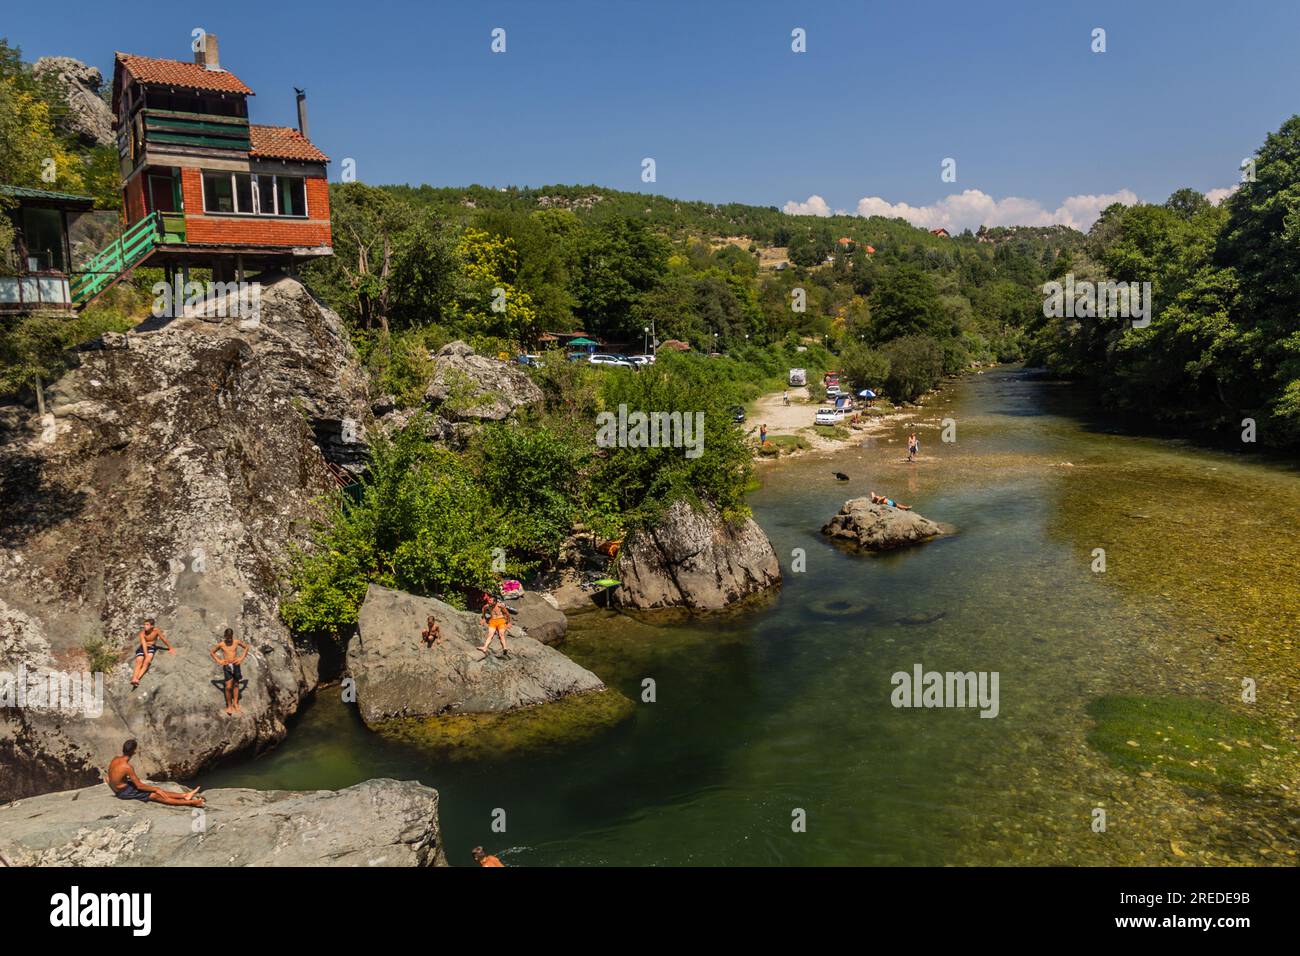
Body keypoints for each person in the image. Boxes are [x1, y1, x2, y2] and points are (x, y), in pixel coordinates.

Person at [107, 739, 204, 807]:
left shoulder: (115, 759)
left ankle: (184, 796)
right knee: (156, 794)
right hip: (125, 792)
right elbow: (139, 786)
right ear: (134, 751)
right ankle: (192, 803)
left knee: (157, 791)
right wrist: (156, 789)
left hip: (123, 788)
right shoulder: (127, 767)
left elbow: (110, 776)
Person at [210, 627, 250, 715]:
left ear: (232, 636)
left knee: (236, 684)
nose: (228, 639)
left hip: (236, 664)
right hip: (227, 666)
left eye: (230, 637)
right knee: (228, 687)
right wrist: (219, 661)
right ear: (224, 636)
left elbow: (246, 647)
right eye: (227, 637)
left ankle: (235, 703)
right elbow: (212, 652)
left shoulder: (236, 642)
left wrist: (241, 658)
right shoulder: (221, 644)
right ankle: (229, 705)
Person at [130, 618, 174, 688]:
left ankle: (137, 679)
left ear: (152, 626)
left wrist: (170, 647)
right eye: (144, 624)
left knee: (146, 662)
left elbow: (163, 639)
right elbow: (144, 644)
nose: (145, 626)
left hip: (151, 648)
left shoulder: (156, 631)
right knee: (139, 661)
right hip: (142, 648)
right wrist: (146, 655)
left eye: (147, 625)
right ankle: (134, 678)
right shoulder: (142, 634)